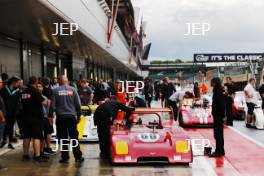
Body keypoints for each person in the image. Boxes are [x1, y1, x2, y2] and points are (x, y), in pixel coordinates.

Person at [52, 75, 84, 164]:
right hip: (71, 117)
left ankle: (65, 157)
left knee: (62, 138)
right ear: (66, 81)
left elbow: (53, 106)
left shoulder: (55, 91)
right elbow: (78, 104)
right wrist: (79, 115)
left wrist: (51, 116)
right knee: (74, 137)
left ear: (59, 81)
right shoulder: (73, 90)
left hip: (61, 117)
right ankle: (78, 157)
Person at [20, 76, 47, 162]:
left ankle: (25, 155)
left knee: (26, 136)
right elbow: (43, 102)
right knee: (36, 137)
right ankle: (37, 156)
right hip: (36, 118)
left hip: (25, 117)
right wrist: (47, 101)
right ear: (35, 82)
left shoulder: (23, 92)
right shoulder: (36, 92)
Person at [0, 76, 20, 149]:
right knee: (5, 127)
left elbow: (18, 102)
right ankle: (4, 140)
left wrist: (16, 111)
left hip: (13, 112)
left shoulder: (17, 91)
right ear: (13, 82)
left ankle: (10, 142)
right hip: (5, 112)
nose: (18, 84)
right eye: (17, 82)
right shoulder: (4, 90)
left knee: (11, 127)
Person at [210, 77, 225, 157]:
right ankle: (220, 150)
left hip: (218, 116)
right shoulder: (217, 91)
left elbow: (222, 105)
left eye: (212, 82)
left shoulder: (218, 92)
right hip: (217, 115)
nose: (210, 83)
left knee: (218, 134)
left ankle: (219, 151)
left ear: (215, 83)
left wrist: (223, 116)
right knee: (218, 134)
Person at [41, 78, 56, 155]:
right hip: (47, 115)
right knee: (48, 131)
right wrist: (51, 114)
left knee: (42, 132)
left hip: (40, 115)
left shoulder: (39, 91)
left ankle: (42, 149)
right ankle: (48, 147)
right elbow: (51, 104)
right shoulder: (50, 91)